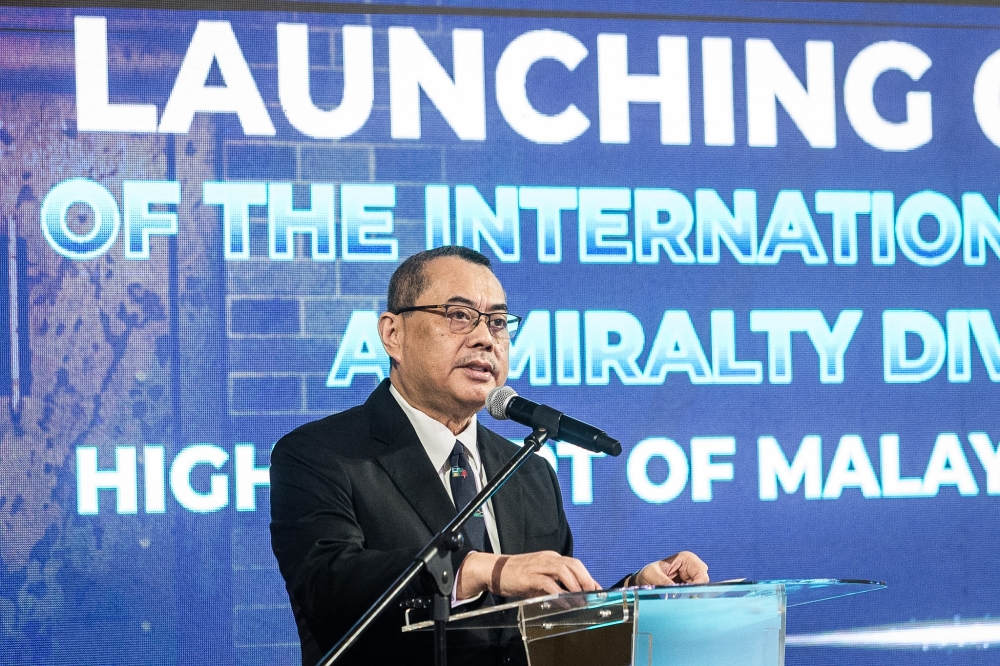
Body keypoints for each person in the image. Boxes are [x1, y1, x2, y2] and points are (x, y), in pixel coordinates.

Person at [269, 246, 709, 666]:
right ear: (393, 334)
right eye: (459, 316)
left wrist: (633, 596)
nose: (485, 338)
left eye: (498, 322)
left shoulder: (528, 471)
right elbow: (329, 586)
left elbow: (549, 629)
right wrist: (477, 569)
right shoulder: (321, 454)